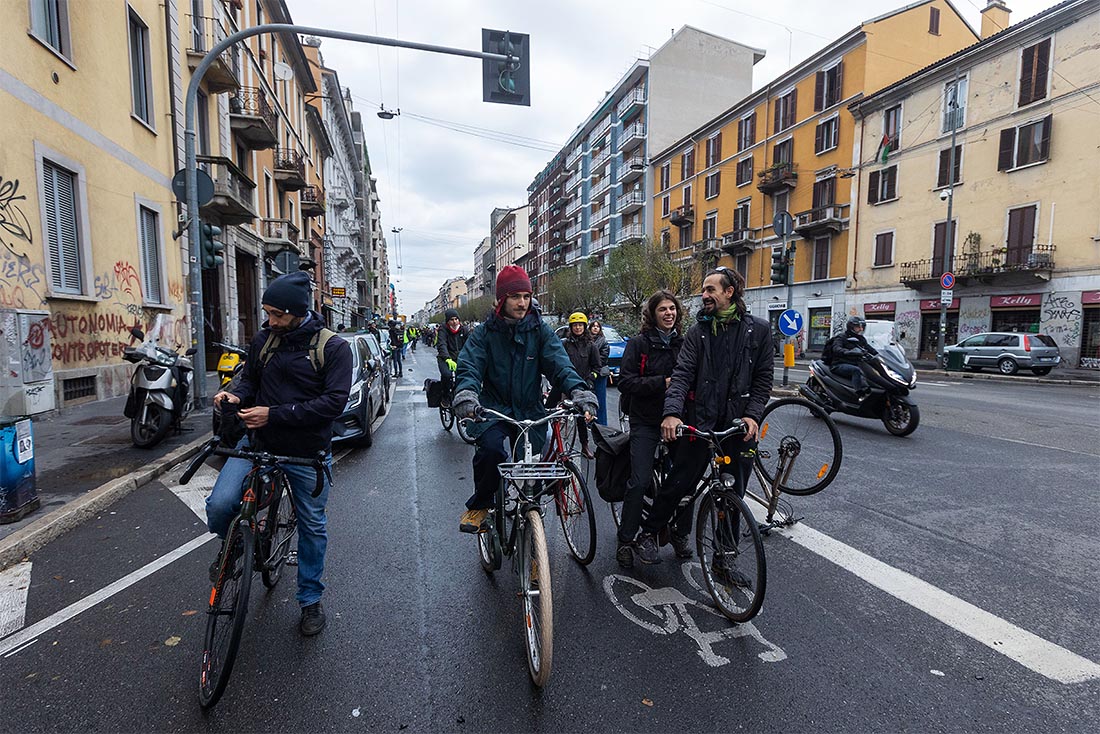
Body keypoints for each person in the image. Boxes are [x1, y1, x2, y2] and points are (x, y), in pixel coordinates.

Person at [207, 271, 352, 636]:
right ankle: (235, 545)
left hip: (307, 452)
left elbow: (333, 404)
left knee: (312, 526)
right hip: (258, 443)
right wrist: (235, 394)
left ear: (298, 311)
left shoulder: (333, 348)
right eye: (267, 313)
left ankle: (310, 600)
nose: (270, 321)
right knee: (220, 505)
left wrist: (274, 414)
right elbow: (250, 381)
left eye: (277, 314)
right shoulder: (263, 341)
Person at [637, 268, 774, 574]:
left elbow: (764, 379)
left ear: (729, 292)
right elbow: (682, 375)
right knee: (680, 481)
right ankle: (649, 532)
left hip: (738, 427)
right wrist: (672, 413)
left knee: (732, 493)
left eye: (710, 289)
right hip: (700, 422)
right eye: (703, 290)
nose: (704, 295)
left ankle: (724, 559)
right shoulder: (698, 333)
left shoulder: (760, 331)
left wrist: (752, 415)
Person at [452, 266, 598, 534]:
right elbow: (469, 367)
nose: (522, 302)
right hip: (494, 410)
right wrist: (466, 395)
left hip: (531, 411)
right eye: (515, 296)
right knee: (492, 451)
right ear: (501, 299)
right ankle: (481, 505)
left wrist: (580, 391)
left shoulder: (540, 331)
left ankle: (532, 532)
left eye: (527, 296)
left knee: (532, 470)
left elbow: (560, 365)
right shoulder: (485, 333)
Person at [614, 290, 684, 568]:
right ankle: (626, 539)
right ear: (652, 314)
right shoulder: (639, 344)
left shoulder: (684, 343)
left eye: (672, 309)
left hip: (677, 419)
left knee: (683, 479)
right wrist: (661, 383)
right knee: (640, 481)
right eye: (663, 309)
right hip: (645, 419)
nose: (669, 313)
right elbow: (625, 381)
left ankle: (680, 533)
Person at [550, 312, 602, 459]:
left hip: (581, 387)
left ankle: (584, 446)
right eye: (575, 325)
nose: (578, 328)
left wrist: (590, 379)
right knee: (549, 411)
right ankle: (549, 443)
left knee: (581, 417)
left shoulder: (591, 346)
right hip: (563, 384)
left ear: (584, 327)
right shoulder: (564, 344)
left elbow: (597, 367)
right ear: (571, 327)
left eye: (580, 325)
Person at [823, 316, 878, 397]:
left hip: (855, 362)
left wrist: (879, 354)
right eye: (858, 327)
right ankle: (859, 394)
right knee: (856, 370)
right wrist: (849, 352)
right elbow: (836, 349)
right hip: (839, 364)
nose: (861, 329)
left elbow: (869, 348)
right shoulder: (841, 337)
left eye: (862, 327)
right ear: (851, 327)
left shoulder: (861, 339)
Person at [436, 308, 469, 400]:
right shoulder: (443, 330)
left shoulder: (464, 329)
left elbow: (469, 344)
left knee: (466, 375)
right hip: (445, 358)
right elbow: (442, 344)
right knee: (447, 375)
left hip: (461, 358)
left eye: (456, 319)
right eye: (451, 320)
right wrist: (447, 358)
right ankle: (445, 396)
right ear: (447, 321)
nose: (454, 322)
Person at [588, 320, 611, 426]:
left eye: (597, 326)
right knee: (589, 399)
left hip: (600, 373)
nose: (595, 328)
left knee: (600, 399)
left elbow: (603, 358)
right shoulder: (586, 340)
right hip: (588, 373)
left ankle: (602, 424)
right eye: (593, 326)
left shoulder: (603, 341)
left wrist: (593, 365)